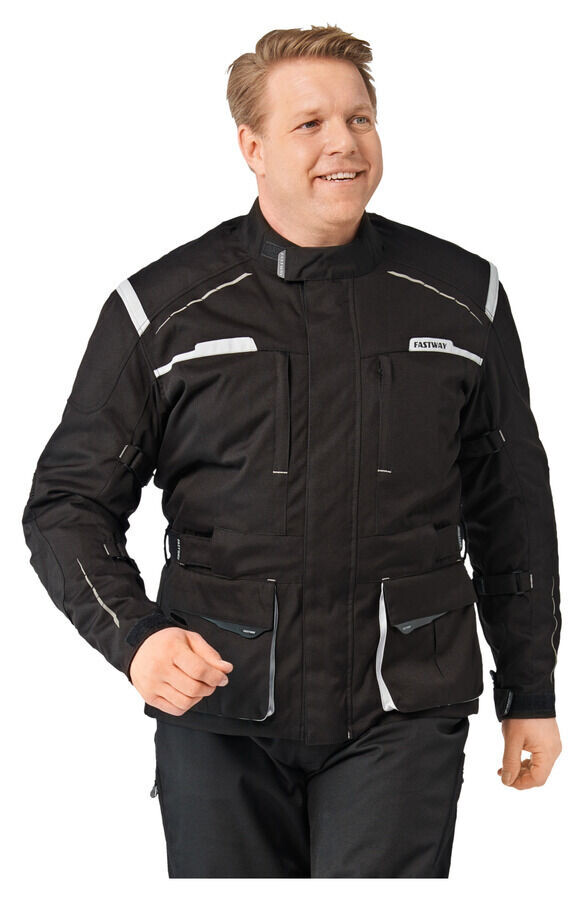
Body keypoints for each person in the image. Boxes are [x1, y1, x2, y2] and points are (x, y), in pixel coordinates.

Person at [22, 24, 562, 878]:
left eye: (358, 118)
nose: (342, 142)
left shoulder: (461, 298)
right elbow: (67, 505)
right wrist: (138, 639)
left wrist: (529, 690)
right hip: (221, 705)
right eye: (309, 123)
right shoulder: (164, 310)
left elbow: (512, 507)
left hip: (402, 705)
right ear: (253, 147)